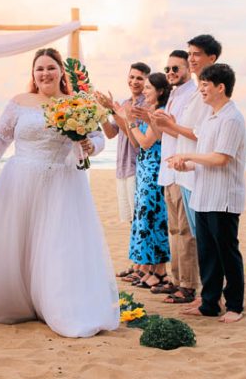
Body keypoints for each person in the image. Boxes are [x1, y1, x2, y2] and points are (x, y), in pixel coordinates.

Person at [0, 48, 120, 339]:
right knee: (15, 240)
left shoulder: (77, 103)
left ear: (61, 72)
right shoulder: (19, 102)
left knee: (56, 244)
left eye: (51, 68)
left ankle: (56, 302)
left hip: (62, 183)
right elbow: (0, 137)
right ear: (33, 74)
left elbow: (98, 137)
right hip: (20, 179)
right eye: (39, 69)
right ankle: (14, 299)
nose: (45, 74)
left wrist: (91, 147)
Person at [169, 64, 246, 324]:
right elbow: (203, 158)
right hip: (203, 195)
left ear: (220, 87)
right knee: (207, 254)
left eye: (205, 85)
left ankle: (235, 306)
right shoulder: (210, 116)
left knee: (227, 253)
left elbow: (220, 158)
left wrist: (188, 154)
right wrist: (184, 164)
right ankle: (210, 304)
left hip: (223, 198)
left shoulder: (232, 118)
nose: (201, 89)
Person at [148, 38, 222, 303]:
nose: (171, 73)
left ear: (210, 58)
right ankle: (179, 280)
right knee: (176, 231)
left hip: (188, 169)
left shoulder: (201, 92)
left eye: (194, 56)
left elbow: (199, 134)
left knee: (188, 234)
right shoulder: (179, 94)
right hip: (172, 168)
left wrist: (167, 124)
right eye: (188, 55)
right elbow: (168, 132)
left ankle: (188, 285)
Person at [109, 72, 171, 291]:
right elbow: (135, 143)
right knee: (143, 219)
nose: (143, 91)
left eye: (148, 88)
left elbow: (146, 143)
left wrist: (129, 120)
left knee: (154, 219)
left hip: (154, 170)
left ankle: (160, 271)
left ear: (160, 91)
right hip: (144, 168)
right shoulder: (149, 112)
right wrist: (127, 119)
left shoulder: (160, 114)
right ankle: (150, 268)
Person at [95, 62, 149, 280]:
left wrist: (113, 110)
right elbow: (111, 134)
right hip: (122, 167)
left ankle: (142, 267)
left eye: (139, 78)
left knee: (140, 218)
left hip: (138, 165)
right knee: (131, 219)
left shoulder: (144, 105)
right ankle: (136, 263)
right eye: (132, 77)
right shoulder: (125, 103)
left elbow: (132, 133)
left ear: (146, 81)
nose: (134, 81)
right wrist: (101, 114)